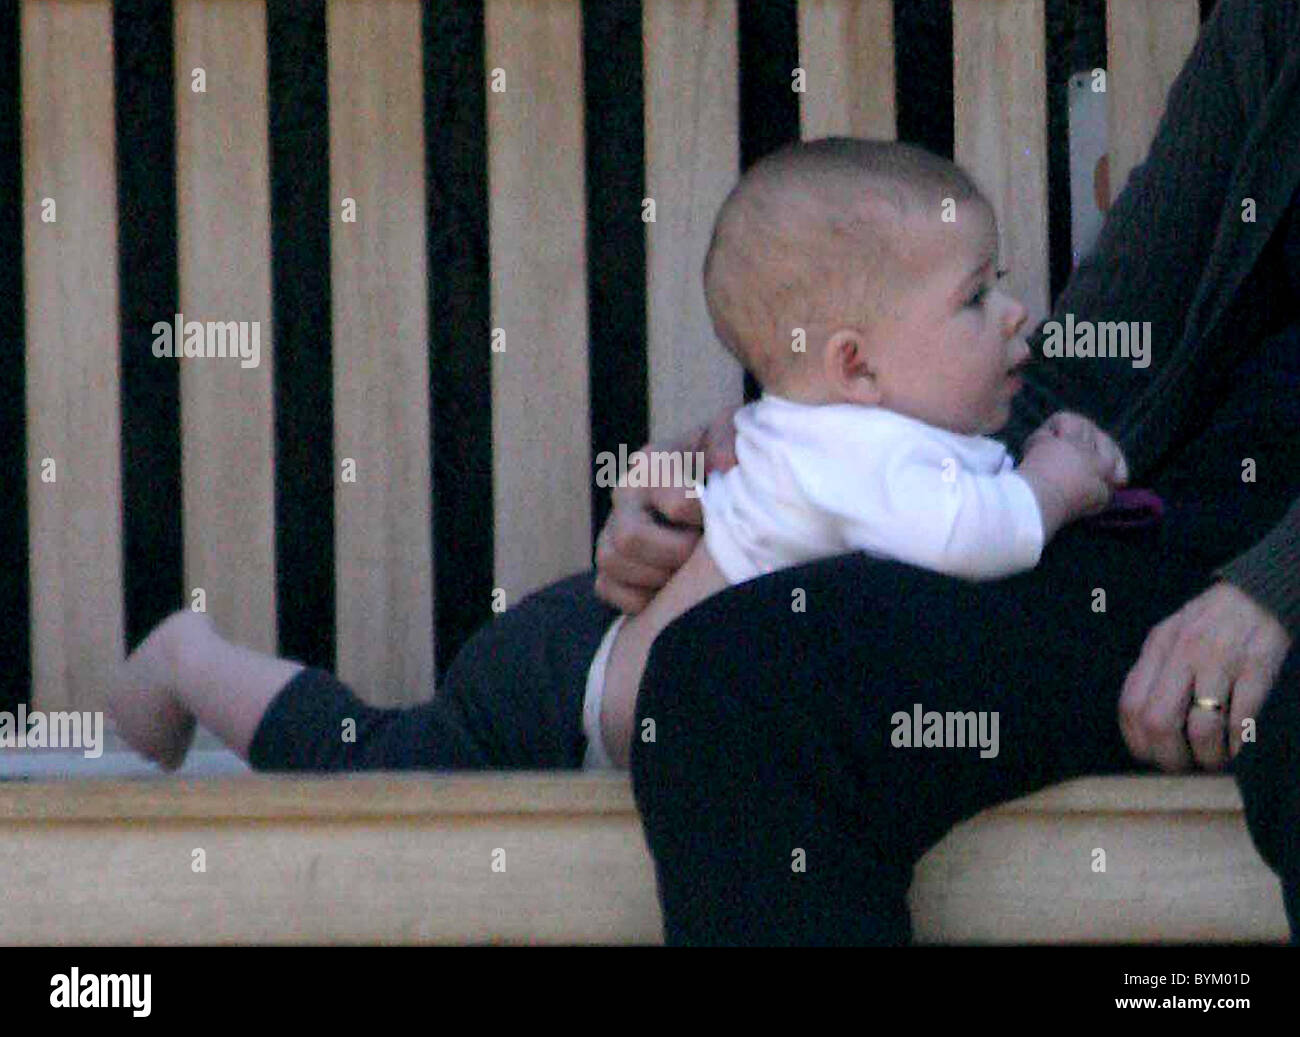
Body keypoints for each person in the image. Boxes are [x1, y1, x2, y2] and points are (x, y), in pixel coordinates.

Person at [109, 136, 1121, 778]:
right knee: (373, 766)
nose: (1016, 310)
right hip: (556, 696)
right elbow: (979, 535)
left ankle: (196, 665)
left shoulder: (861, 432)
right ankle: (190, 661)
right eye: (976, 296)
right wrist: (1055, 480)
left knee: (386, 744)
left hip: (591, 657)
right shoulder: (860, 456)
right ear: (854, 364)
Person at [622, 0, 1300, 944]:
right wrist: (785, 469)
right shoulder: (1276, 29)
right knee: (732, 677)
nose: (1006, 311)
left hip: (1264, 586)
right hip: (1140, 548)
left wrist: (1277, 585)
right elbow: (1101, 358)